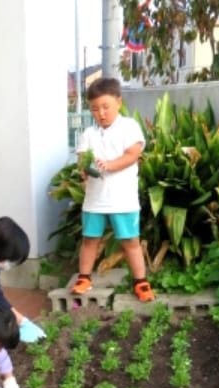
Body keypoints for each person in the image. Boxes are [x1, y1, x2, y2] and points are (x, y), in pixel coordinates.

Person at [71, 77, 155, 303]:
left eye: (106, 107)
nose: (101, 113)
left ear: (119, 102)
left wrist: (108, 165)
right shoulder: (89, 133)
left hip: (123, 201)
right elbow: (81, 160)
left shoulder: (129, 126)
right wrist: (84, 170)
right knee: (90, 239)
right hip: (94, 201)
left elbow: (132, 154)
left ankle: (141, 282)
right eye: (95, 109)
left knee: (131, 242)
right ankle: (84, 278)